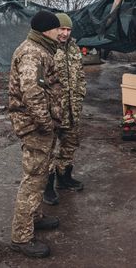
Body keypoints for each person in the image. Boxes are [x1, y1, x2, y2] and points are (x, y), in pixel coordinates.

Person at [8, 10, 63, 258]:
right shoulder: (32, 52)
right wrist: (45, 123)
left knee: (40, 175)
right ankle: (21, 237)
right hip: (35, 126)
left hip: (40, 125)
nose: (60, 32)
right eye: (56, 28)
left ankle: (35, 217)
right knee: (33, 179)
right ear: (46, 30)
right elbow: (31, 92)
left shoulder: (41, 49)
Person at [43, 12, 86, 206]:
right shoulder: (46, 49)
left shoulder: (74, 49)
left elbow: (81, 75)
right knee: (48, 149)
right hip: (53, 110)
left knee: (70, 145)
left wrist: (81, 93)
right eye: (62, 29)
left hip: (73, 107)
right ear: (54, 29)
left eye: (68, 30)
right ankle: (47, 186)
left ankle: (64, 177)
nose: (65, 33)